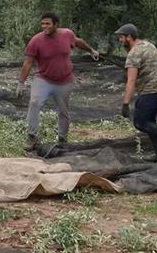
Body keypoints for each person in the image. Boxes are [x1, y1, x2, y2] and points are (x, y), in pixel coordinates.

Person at [18, 12, 100, 152]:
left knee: (63, 111)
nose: (44, 26)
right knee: (34, 103)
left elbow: (78, 41)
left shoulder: (67, 34)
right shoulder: (36, 41)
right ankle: (32, 137)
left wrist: (91, 50)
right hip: (43, 79)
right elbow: (28, 63)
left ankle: (62, 139)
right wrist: (21, 82)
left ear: (56, 24)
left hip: (65, 81)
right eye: (43, 24)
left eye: (48, 24)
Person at [115, 23, 157, 161]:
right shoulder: (148, 45)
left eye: (121, 37)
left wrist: (125, 103)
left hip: (148, 93)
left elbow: (131, 81)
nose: (120, 40)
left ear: (129, 37)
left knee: (140, 123)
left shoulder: (133, 54)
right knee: (150, 121)